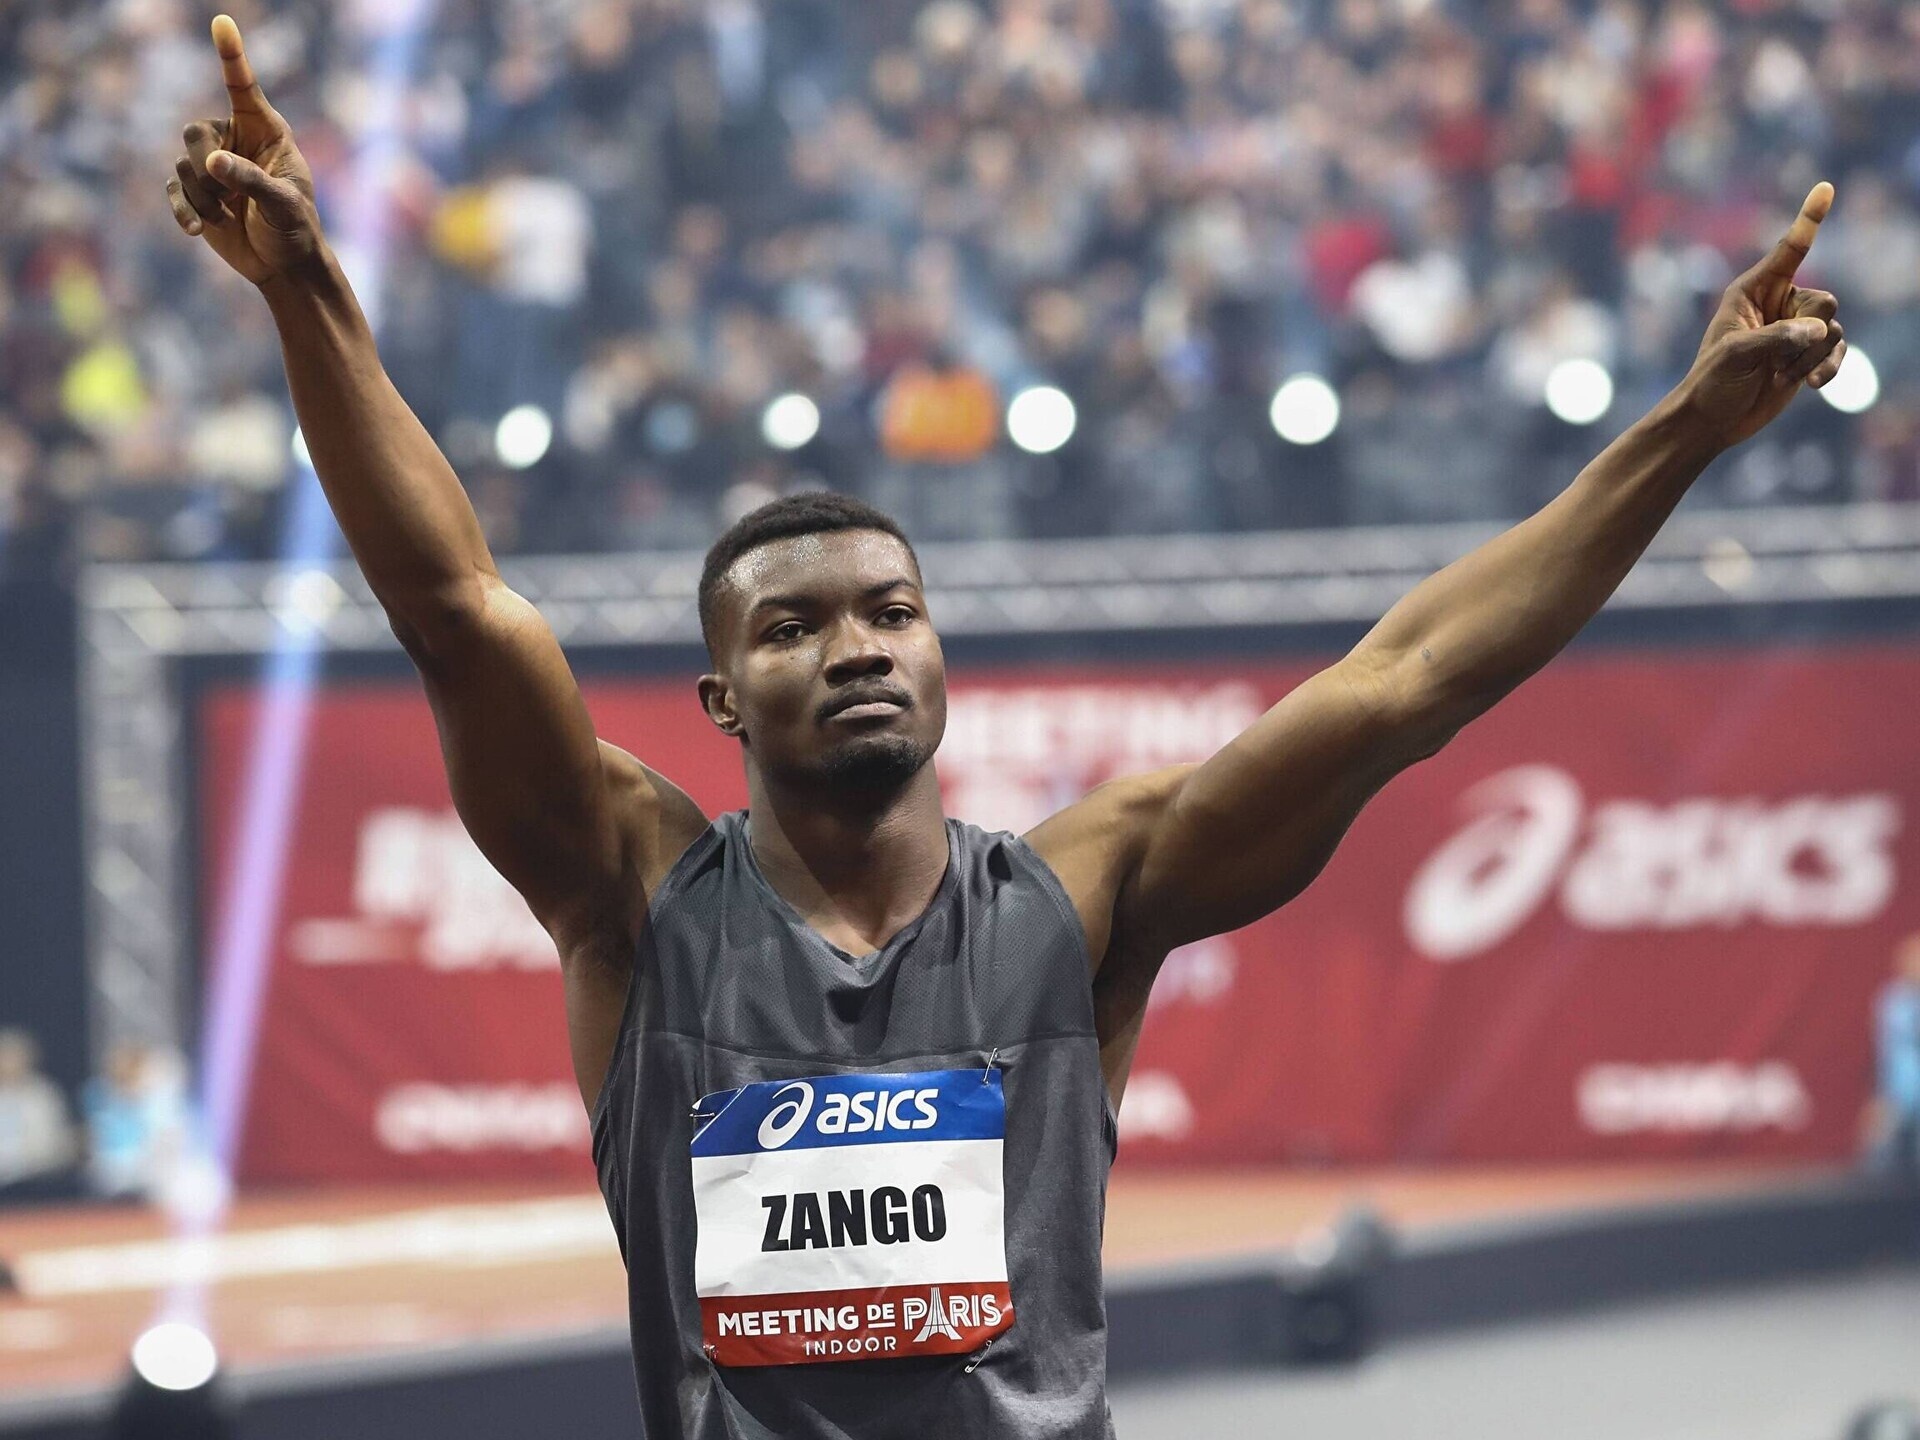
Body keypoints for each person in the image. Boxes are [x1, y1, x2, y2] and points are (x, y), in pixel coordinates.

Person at [165, 15, 1850, 1438]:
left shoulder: (1078, 897)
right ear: (717, 698)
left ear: (942, 649)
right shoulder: (634, 892)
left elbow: (1413, 680)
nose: (856, 648)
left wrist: (1686, 436)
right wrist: (309, 284)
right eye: (795, 627)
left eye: (891, 611)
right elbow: (458, 611)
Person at [1867, 934, 1920, 1178]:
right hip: (1897, 1095)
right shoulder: (1891, 1000)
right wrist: (1876, 1096)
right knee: (1878, 1160)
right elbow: (1881, 1051)